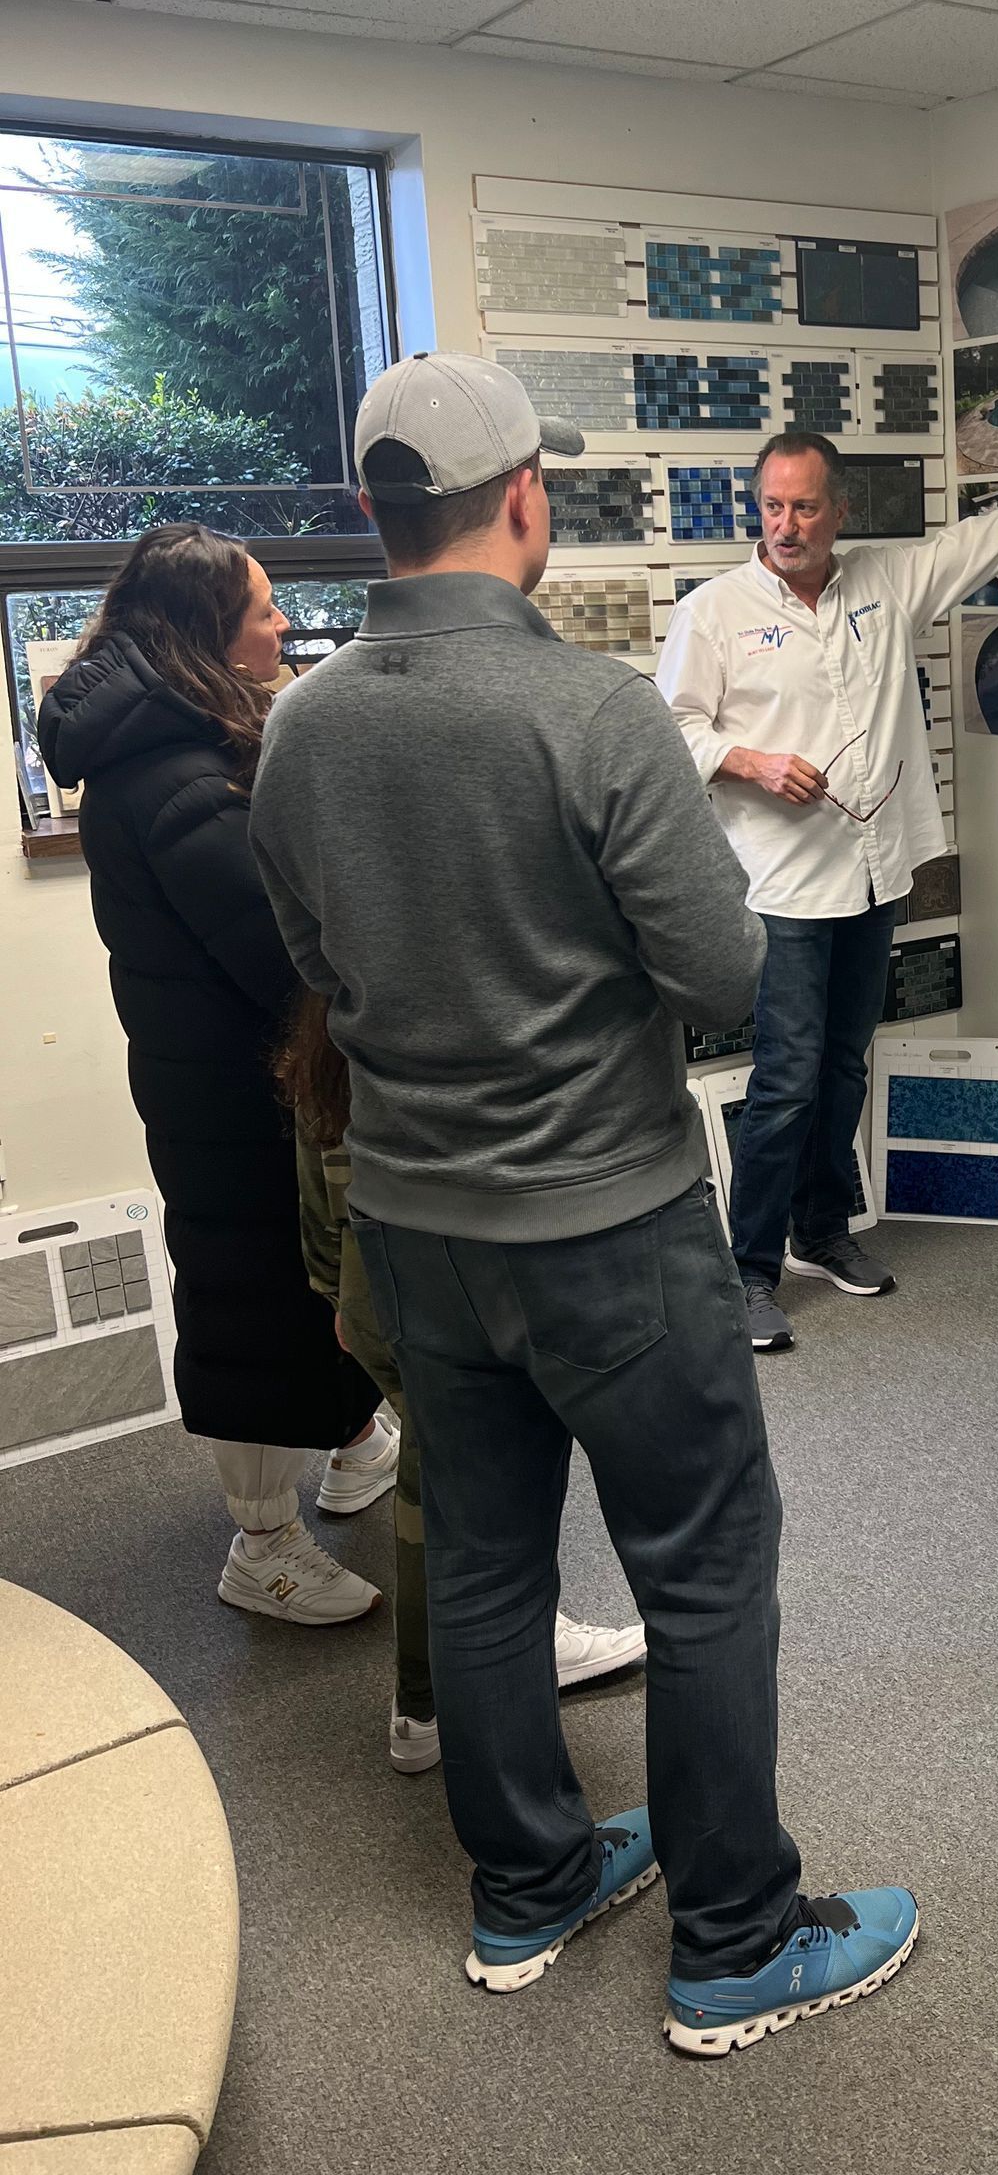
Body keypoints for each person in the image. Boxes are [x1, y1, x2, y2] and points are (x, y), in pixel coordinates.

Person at [249, 351, 916, 2051]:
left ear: (375, 516)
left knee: (478, 1557)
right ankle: (736, 1948)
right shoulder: (595, 712)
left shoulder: (304, 725)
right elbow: (719, 963)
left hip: (418, 1225)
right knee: (701, 1569)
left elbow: (319, 964)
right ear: (528, 500)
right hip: (605, 1226)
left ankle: (531, 1885)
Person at [655, 400, 998, 1350]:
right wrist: (751, 762)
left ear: (839, 512)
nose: (784, 526)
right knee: (788, 1077)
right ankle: (748, 1273)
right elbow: (670, 732)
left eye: (802, 508)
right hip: (783, 885)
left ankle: (821, 1232)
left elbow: (986, 537)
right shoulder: (712, 613)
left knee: (845, 1064)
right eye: (770, 507)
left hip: (875, 873)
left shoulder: (886, 583)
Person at [37, 524, 395, 1626]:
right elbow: (277, 946)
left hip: (248, 1073)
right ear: (208, 635)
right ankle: (263, 1546)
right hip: (226, 1088)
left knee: (310, 1281)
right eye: (264, 610)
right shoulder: (169, 772)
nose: (284, 624)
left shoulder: (182, 734)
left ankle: (350, 1447)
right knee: (252, 1301)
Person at [274, 990, 650, 1773]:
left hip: (371, 1287)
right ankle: (430, 1701)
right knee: (456, 1494)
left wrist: (332, 1290)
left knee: (450, 1481)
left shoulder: (338, 1009)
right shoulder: (459, 1015)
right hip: (454, 1284)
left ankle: (463, 1677)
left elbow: (322, 1171)